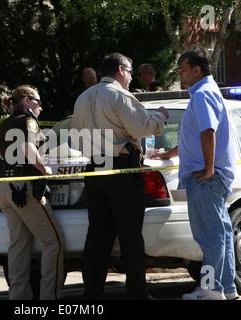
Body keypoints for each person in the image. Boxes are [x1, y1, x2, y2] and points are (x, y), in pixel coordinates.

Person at [72, 52, 169, 299]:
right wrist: (160, 116)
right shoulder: (119, 95)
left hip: (94, 169)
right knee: (130, 235)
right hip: (122, 170)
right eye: (129, 70)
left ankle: (92, 293)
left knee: (97, 236)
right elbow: (142, 126)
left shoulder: (82, 98)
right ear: (119, 69)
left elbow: (77, 138)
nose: (130, 76)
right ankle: (137, 292)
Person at [153, 47, 238, 300]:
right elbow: (197, 135)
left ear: (197, 70)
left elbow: (208, 132)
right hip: (212, 176)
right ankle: (226, 288)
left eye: (183, 70)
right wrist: (170, 154)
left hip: (207, 177)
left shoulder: (202, 94)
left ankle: (211, 290)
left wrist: (209, 168)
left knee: (209, 237)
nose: (181, 75)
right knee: (220, 233)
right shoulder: (207, 92)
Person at [0, 85, 63, 300]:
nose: (40, 106)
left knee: (19, 245)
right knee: (54, 242)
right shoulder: (28, 120)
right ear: (25, 101)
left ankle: (18, 298)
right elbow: (28, 149)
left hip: (6, 188)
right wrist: (45, 170)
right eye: (38, 101)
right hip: (24, 187)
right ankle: (48, 298)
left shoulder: (5, 123)